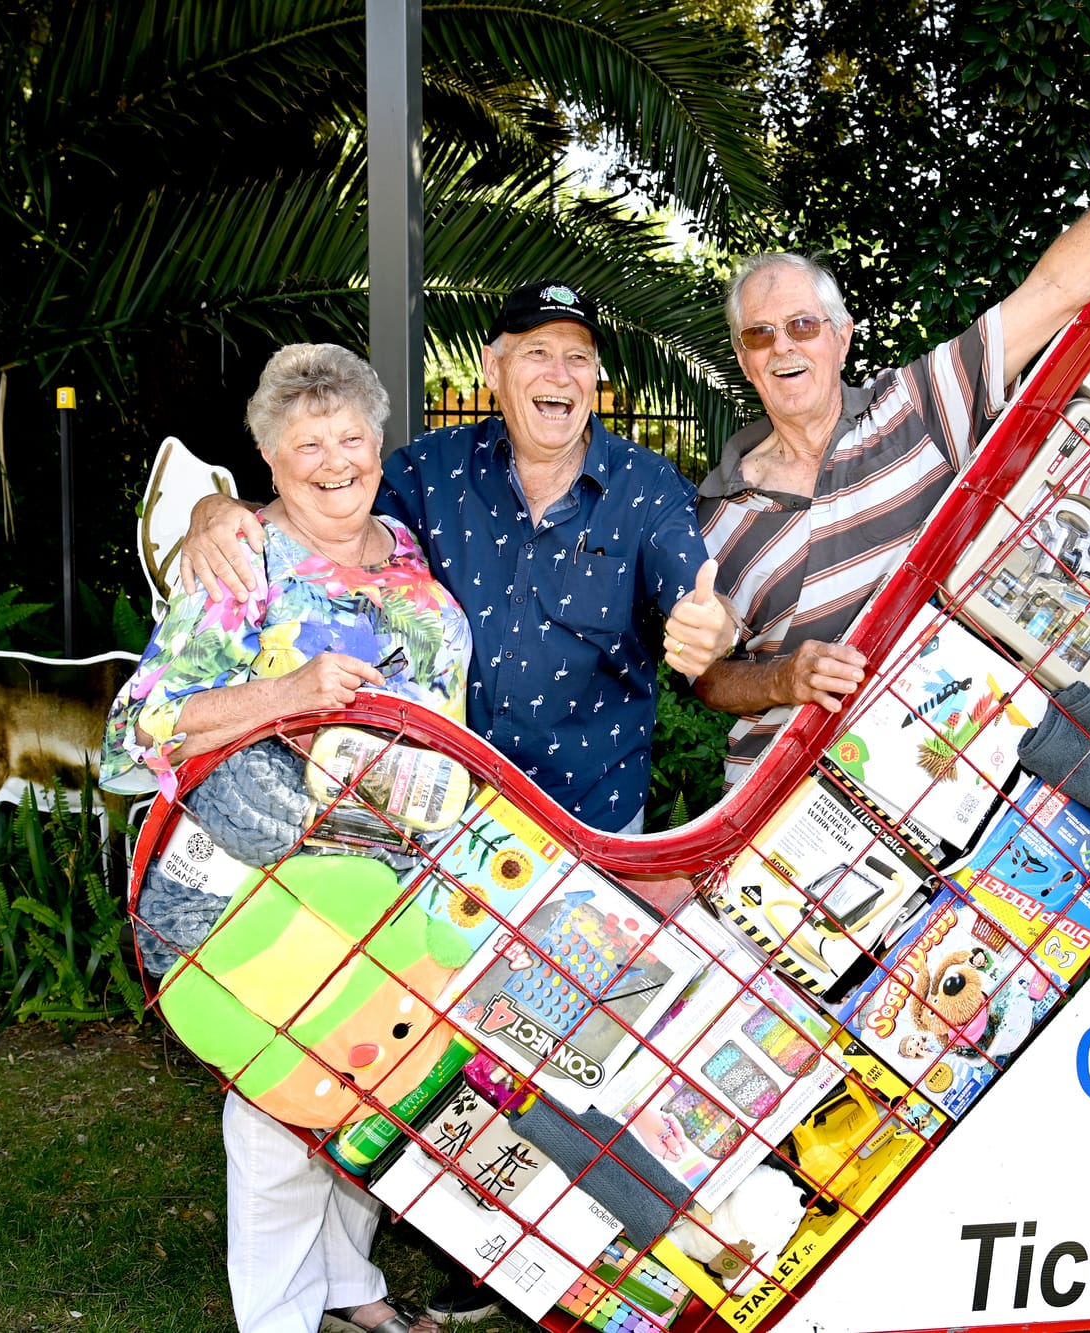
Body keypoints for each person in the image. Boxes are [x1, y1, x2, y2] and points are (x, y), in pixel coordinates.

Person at [691, 59, 1090, 787]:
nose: (783, 347)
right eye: (761, 335)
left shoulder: (917, 402)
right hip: (785, 795)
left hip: (960, 769)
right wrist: (783, 678)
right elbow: (709, 676)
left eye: (801, 326)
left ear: (842, 336)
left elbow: (1057, 291)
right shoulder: (709, 513)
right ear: (742, 357)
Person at [101, 343, 459, 1333]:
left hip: (389, 872)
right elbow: (133, 735)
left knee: (366, 1076)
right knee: (275, 1092)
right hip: (261, 884)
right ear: (269, 456)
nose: (335, 458)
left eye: (351, 435)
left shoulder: (402, 547)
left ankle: (349, 1289)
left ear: (378, 441)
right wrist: (283, 697)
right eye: (308, 442)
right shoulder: (241, 558)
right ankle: (280, 1314)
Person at [178, 282, 736, 833]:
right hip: (442, 824)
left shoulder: (649, 488)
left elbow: (700, 602)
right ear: (492, 369)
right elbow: (323, 510)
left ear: (594, 375)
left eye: (578, 358)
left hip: (592, 819)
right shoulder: (429, 471)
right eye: (537, 353)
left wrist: (716, 630)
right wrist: (220, 508)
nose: (559, 374)